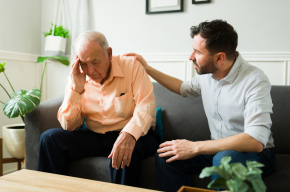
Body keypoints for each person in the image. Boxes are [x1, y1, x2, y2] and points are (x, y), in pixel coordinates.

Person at [124, 20, 276, 192]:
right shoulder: (208, 75)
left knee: (224, 159)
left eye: (197, 51)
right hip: (218, 150)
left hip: (258, 155)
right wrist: (147, 68)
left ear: (219, 57)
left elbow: (255, 140)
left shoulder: (255, 80)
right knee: (165, 155)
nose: (191, 56)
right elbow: (183, 88)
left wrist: (195, 147)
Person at [37, 31, 160, 187]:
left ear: (109, 53)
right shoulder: (77, 77)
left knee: (126, 152)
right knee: (49, 138)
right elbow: (68, 125)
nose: (90, 70)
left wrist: (129, 134)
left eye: (95, 62)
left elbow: (146, 106)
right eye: (84, 63)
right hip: (95, 136)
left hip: (135, 135)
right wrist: (76, 90)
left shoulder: (132, 66)